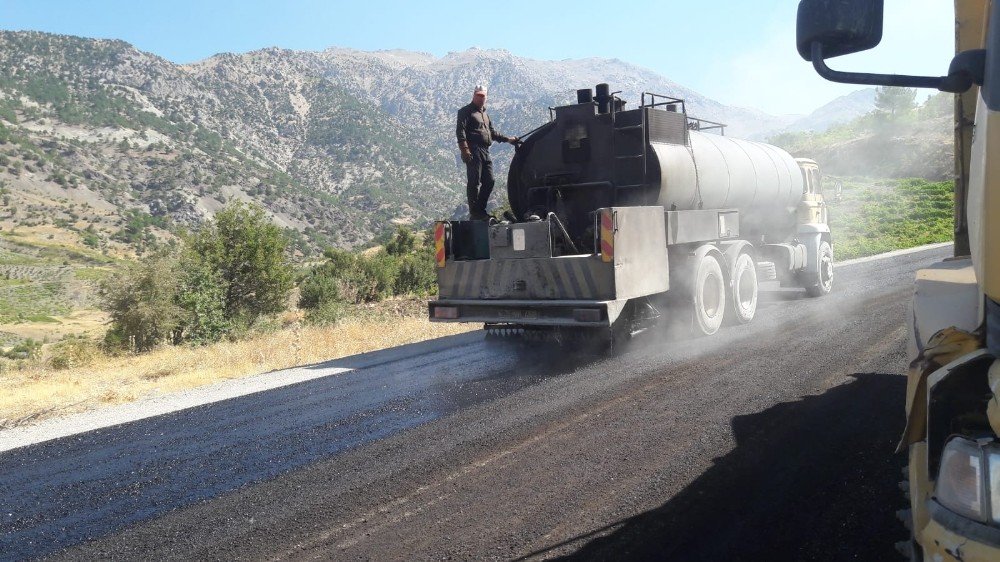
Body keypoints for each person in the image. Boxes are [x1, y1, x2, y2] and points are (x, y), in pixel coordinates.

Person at [456, 85, 518, 220]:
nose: (480, 98)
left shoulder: (485, 114)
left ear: (486, 97)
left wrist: (508, 139)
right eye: (478, 95)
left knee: (489, 181)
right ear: (473, 95)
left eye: (483, 96)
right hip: (473, 150)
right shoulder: (465, 111)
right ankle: (475, 213)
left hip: (485, 150)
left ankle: (480, 210)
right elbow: (460, 132)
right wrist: (465, 150)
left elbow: (492, 133)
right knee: (474, 181)